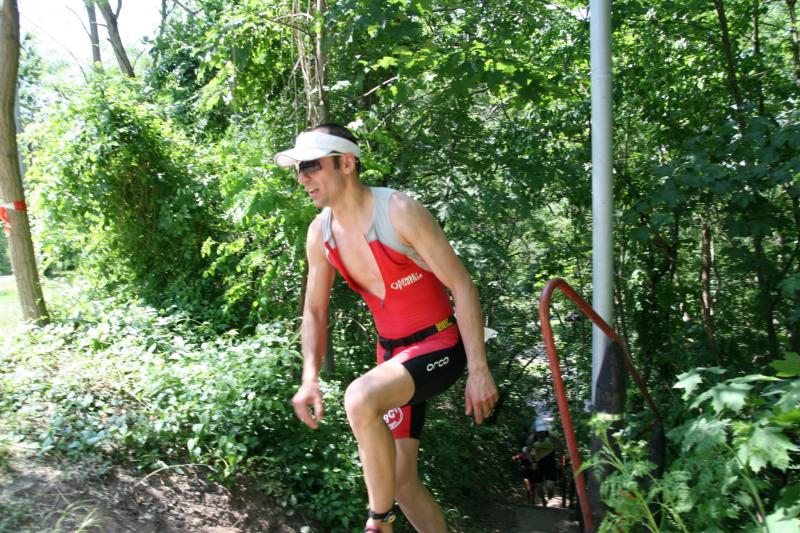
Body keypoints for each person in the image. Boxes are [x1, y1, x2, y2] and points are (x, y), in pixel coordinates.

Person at [278, 123, 499, 533]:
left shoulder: (398, 211)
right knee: (400, 481)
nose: (302, 178)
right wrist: (309, 377)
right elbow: (315, 312)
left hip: (441, 343)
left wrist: (479, 370)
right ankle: (390, 513)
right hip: (393, 356)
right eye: (298, 169)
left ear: (346, 163)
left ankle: (379, 522)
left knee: (360, 397)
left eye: (311, 166)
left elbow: (462, 285)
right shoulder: (320, 234)